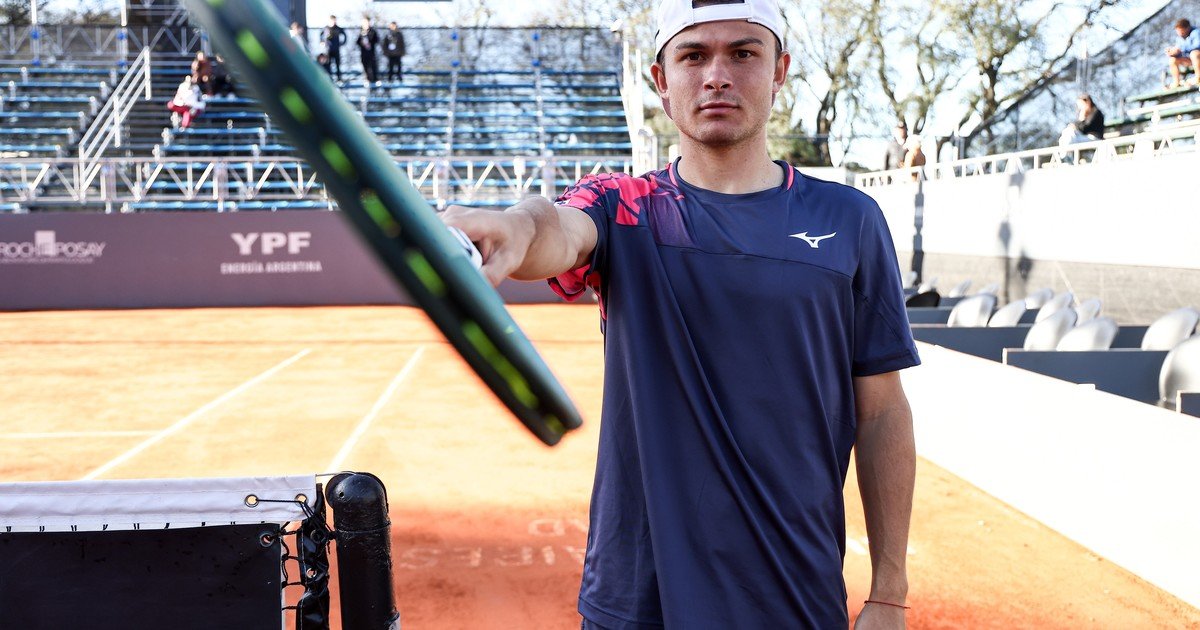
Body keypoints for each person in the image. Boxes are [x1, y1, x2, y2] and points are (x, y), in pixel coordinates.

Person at [441, 0, 919, 627]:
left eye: (743, 53)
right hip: (638, 597)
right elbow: (554, 227)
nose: (717, 75)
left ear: (779, 71)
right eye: (694, 56)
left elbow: (881, 409)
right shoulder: (624, 207)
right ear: (662, 82)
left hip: (792, 593)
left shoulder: (850, 219)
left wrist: (888, 591)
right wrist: (511, 226)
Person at [1166, 18, 1200, 88]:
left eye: (1181, 31)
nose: (1179, 33)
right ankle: (1176, 82)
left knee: (1194, 54)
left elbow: (1197, 46)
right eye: (1178, 31)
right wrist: (1174, 52)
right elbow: (1179, 50)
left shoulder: (1196, 32)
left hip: (1197, 57)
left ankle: (1198, 77)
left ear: (1187, 28)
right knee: (1173, 60)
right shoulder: (1179, 38)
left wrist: (1181, 49)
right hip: (1188, 60)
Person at [321, 15, 347, 81]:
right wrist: (322, 42)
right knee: (328, 64)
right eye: (332, 20)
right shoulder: (326, 28)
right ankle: (329, 78)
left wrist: (342, 43)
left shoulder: (338, 28)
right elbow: (321, 35)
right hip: (328, 50)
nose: (334, 22)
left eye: (335, 20)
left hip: (336, 49)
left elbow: (345, 35)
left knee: (337, 64)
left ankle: (339, 78)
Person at [357, 17, 380, 84]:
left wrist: (370, 43)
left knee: (373, 66)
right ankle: (367, 79)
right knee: (365, 66)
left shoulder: (373, 31)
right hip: (363, 53)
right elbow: (357, 42)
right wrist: (362, 43)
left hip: (371, 53)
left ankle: (375, 79)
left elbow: (377, 40)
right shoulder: (361, 32)